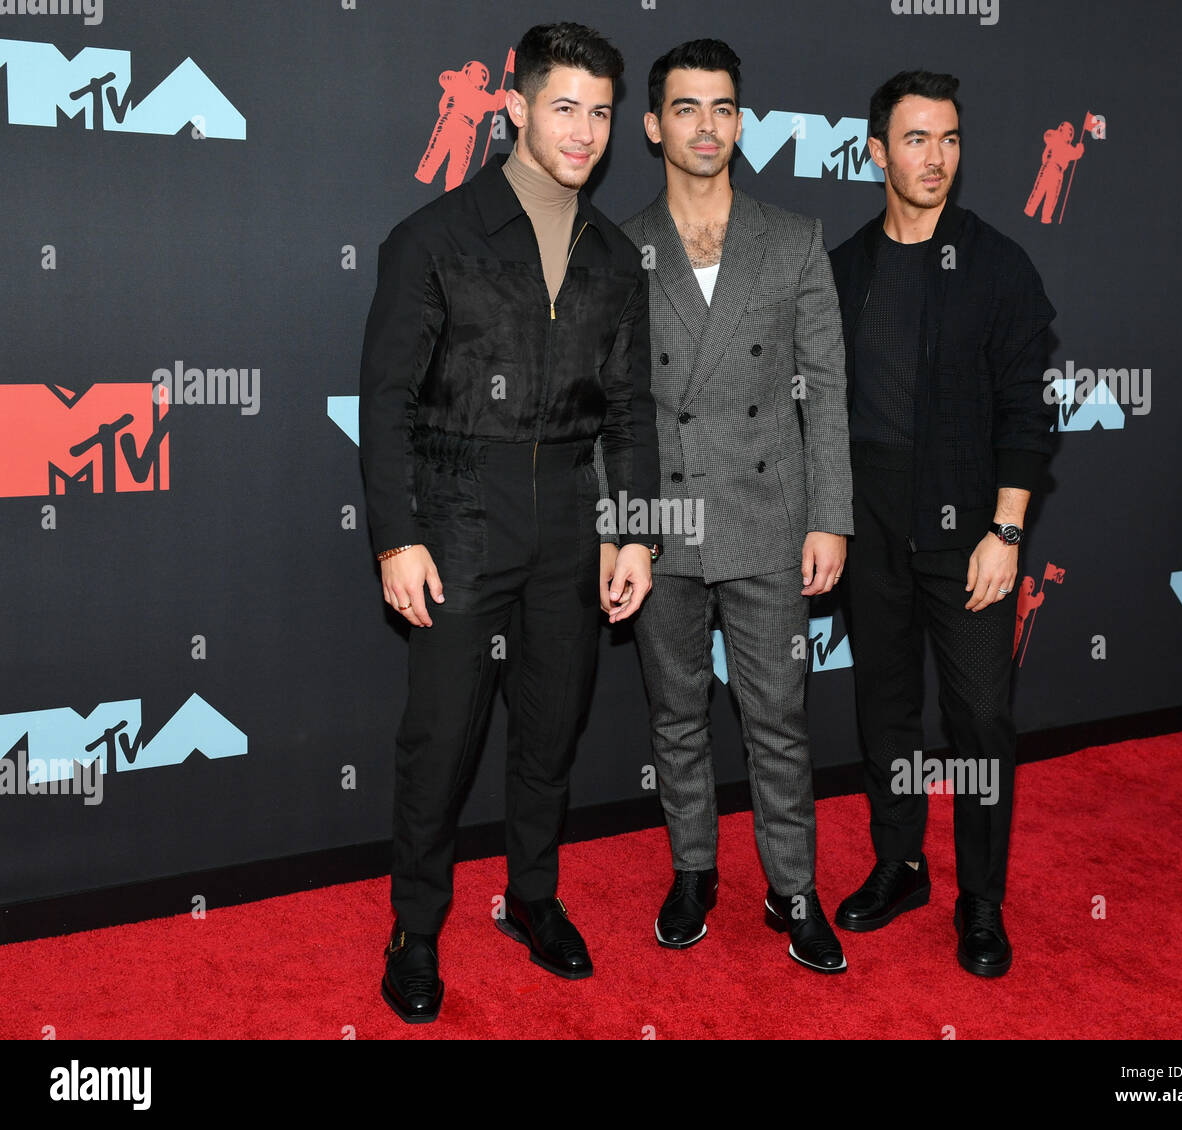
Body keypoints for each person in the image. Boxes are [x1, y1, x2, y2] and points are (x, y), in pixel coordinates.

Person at [358, 22, 659, 1024]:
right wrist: (397, 536)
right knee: (441, 735)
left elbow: (628, 411)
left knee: (549, 726)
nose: (582, 130)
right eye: (563, 106)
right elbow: (388, 401)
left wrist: (634, 530)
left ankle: (531, 896)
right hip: (456, 511)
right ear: (517, 108)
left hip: (573, 515)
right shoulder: (431, 238)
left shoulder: (617, 258)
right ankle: (415, 925)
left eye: (600, 112)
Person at [604, 39, 853, 973]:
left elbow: (824, 390)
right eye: (686, 108)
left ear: (739, 122)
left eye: (722, 108)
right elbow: (609, 406)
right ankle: (693, 873)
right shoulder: (617, 248)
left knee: (777, 717)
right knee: (674, 714)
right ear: (654, 125)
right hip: (664, 521)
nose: (705, 125)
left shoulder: (793, 238)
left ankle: (795, 889)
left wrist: (830, 514)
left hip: (766, 511)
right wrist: (618, 527)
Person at [828, 70, 1056, 978]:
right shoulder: (844, 268)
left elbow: (1028, 415)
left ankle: (981, 902)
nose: (937, 158)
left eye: (951, 138)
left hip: (970, 538)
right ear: (876, 151)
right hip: (870, 522)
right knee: (885, 709)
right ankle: (901, 865)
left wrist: (1005, 533)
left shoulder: (997, 264)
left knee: (979, 723)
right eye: (917, 139)